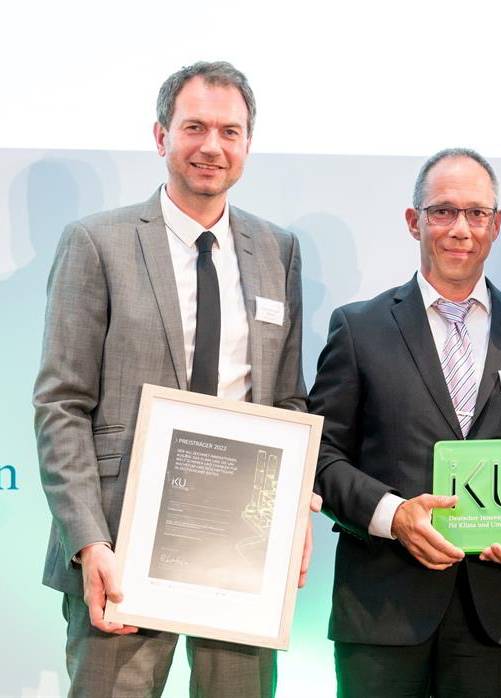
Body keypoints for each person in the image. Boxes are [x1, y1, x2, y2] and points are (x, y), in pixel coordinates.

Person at [34, 61, 310, 698]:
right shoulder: (95, 243)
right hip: (118, 545)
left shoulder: (278, 250)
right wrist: (88, 543)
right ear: (161, 137)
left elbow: (287, 401)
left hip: (241, 552)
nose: (212, 146)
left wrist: (293, 512)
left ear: (247, 144)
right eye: (194, 127)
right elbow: (61, 405)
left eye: (230, 132)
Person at [308, 148, 501, 697]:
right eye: (443, 211)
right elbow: (320, 455)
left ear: (495, 225)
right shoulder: (360, 329)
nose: (461, 228)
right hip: (382, 604)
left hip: (497, 607)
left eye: (477, 213)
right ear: (414, 221)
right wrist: (394, 515)